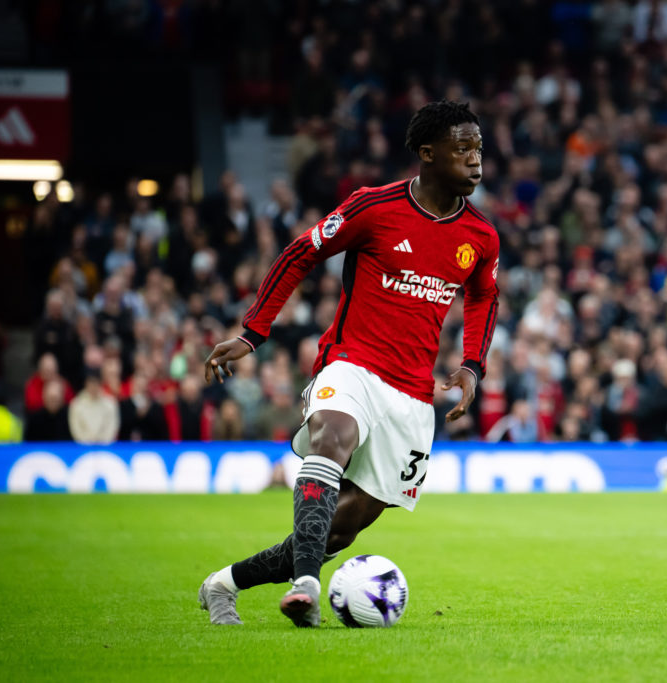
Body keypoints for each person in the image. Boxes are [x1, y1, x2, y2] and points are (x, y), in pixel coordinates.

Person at [198, 100, 499, 627]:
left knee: (339, 531)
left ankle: (222, 584)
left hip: (411, 399)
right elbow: (300, 253)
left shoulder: (480, 236)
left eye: (479, 148)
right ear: (428, 154)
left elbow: (483, 298)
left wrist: (472, 364)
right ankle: (308, 587)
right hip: (351, 364)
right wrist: (253, 332)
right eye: (463, 148)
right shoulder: (373, 207)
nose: (476, 160)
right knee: (331, 438)